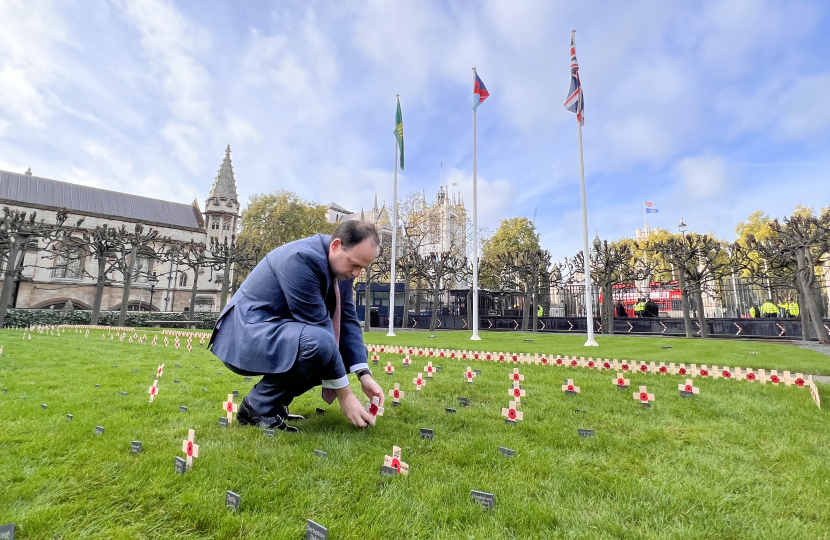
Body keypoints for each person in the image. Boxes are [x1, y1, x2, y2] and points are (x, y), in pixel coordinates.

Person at [209, 221, 384, 432]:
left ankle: (274, 404)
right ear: (336, 245)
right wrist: (345, 396)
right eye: (354, 264)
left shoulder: (342, 270)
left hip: (279, 332)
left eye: (362, 268)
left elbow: (347, 319)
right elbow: (321, 329)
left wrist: (363, 374)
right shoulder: (301, 259)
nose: (356, 273)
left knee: (348, 352)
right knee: (319, 344)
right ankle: (257, 407)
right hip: (247, 334)